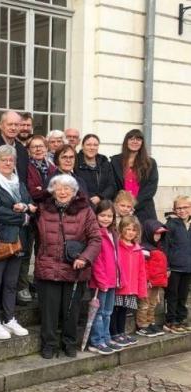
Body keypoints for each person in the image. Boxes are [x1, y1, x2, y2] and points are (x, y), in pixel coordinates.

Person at [34, 174, 101, 359]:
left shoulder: (85, 211)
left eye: (67, 188)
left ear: (74, 192)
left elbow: (96, 238)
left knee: (71, 311)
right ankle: (49, 345)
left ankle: (69, 343)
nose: (63, 192)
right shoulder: (42, 209)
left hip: (75, 269)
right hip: (48, 267)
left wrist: (85, 258)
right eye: (59, 188)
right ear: (52, 191)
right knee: (49, 312)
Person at [0, 145, 35, 341]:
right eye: (4, 160)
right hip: (1, 238)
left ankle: (9, 318)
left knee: (12, 283)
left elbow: (30, 203)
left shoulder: (18, 182)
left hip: (19, 239)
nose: (8, 163)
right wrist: (22, 216)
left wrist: (26, 208)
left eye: (11, 160)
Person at [19, 135, 56, 304]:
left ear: (47, 148)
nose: (38, 149)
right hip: (31, 215)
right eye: (34, 147)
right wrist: (46, 190)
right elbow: (31, 191)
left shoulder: (52, 167)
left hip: (48, 215)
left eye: (41, 146)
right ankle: (23, 286)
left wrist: (44, 190)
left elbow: (57, 189)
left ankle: (39, 283)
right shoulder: (26, 167)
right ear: (28, 150)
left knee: (43, 251)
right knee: (26, 252)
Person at [87, 201, 122, 355]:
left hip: (112, 280)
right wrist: (101, 281)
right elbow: (97, 260)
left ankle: (106, 338)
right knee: (99, 313)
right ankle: (96, 341)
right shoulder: (96, 234)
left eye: (109, 216)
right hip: (100, 282)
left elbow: (116, 258)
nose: (106, 219)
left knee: (108, 312)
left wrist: (119, 278)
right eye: (102, 215)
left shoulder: (113, 233)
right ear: (96, 215)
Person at [110, 216, 146, 348]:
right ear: (121, 230)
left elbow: (142, 271)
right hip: (119, 286)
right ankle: (113, 333)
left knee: (124, 310)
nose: (130, 232)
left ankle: (121, 332)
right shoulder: (117, 247)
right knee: (115, 309)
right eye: (128, 229)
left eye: (134, 230)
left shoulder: (138, 250)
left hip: (131, 287)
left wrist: (141, 290)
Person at [110, 129, 159, 222]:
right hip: (121, 209)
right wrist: (122, 205)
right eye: (131, 139)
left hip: (143, 208)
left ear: (142, 143)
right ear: (126, 141)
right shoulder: (115, 161)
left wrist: (133, 204)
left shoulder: (150, 163)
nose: (135, 141)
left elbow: (151, 187)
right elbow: (112, 184)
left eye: (138, 139)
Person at [163, 195, 191, 333]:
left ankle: (181, 319)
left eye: (185, 207)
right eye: (178, 208)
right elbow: (165, 246)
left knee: (183, 295)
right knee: (172, 295)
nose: (182, 210)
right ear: (174, 210)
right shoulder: (171, 224)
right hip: (174, 267)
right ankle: (171, 321)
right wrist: (166, 266)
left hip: (188, 267)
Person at [137, 218, 168, 337]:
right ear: (148, 233)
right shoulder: (144, 248)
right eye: (156, 233)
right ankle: (142, 325)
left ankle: (150, 322)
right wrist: (147, 280)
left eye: (160, 234)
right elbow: (144, 267)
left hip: (157, 282)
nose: (158, 236)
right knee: (144, 304)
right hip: (148, 282)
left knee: (153, 304)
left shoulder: (158, 247)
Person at [0, 110, 29, 181]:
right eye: (10, 124)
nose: (13, 128)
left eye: (16, 125)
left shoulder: (22, 149)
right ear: (1, 125)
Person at [75, 134, 115, 205]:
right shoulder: (75, 162)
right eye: (88, 145)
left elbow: (112, 186)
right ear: (82, 146)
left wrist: (100, 197)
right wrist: (90, 198)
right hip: (83, 204)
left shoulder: (105, 163)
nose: (92, 147)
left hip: (103, 205)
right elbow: (75, 186)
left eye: (95, 145)